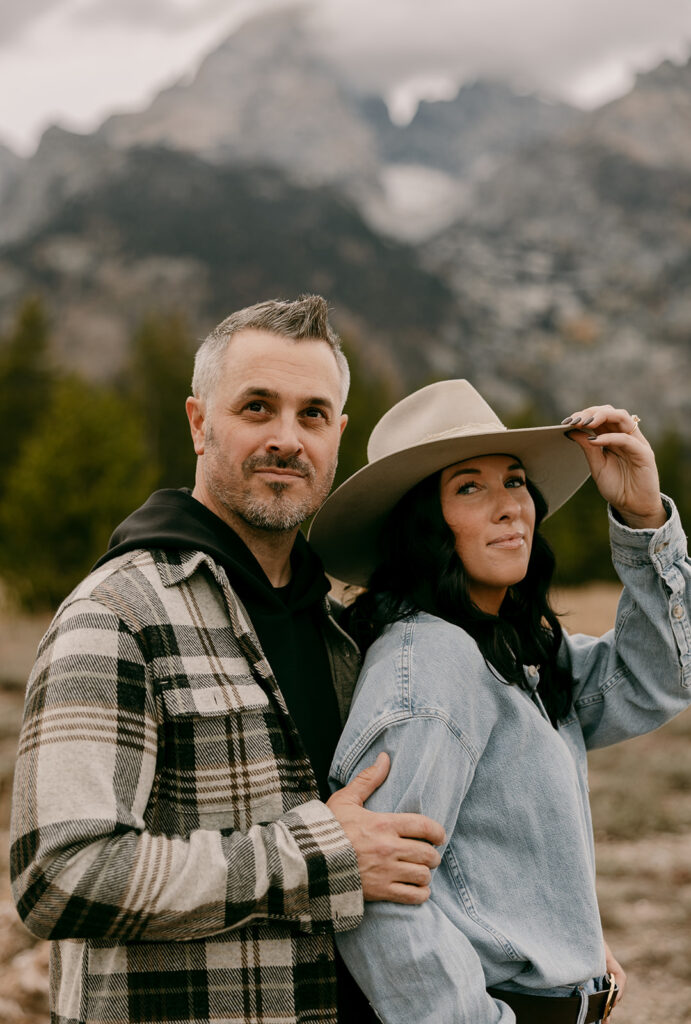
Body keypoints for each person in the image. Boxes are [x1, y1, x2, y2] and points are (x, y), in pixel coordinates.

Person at [9, 295, 445, 1024]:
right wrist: (314, 856)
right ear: (198, 423)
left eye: (311, 415)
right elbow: (60, 876)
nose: (286, 438)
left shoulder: (345, 632)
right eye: (256, 408)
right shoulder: (117, 614)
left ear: (337, 436)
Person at [308, 378, 691, 1024]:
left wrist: (641, 518)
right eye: (467, 486)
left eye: (514, 480)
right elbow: (381, 897)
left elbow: (651, 680)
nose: (509, 505)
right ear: (422, 525)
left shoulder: (512, 647)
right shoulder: (430, 660)